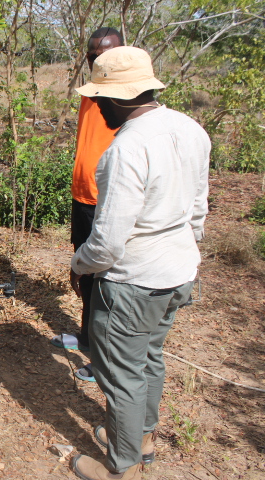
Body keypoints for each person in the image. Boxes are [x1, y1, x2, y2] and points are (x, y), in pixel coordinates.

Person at [68, 46, 210, 480]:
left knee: (123, 374)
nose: (95, 106)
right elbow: (199, 211)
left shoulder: (124, 149)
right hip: (178, 271)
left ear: (115, 99)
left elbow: (108, 241)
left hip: (133, 281)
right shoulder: (190, 129)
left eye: (98, 98)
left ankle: (122, 466)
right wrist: (179, 248)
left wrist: (79, 265)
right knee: (149, 357)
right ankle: (142, 438)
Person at [51, 27, 123, 383]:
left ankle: (103, 356)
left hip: (110, 201)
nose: (98, 61)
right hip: (83, 196)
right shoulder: (89, 92)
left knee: (106, 279)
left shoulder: (125, 97)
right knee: (84, 273)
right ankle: (85, 336)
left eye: (105, 55)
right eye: (92, 56)